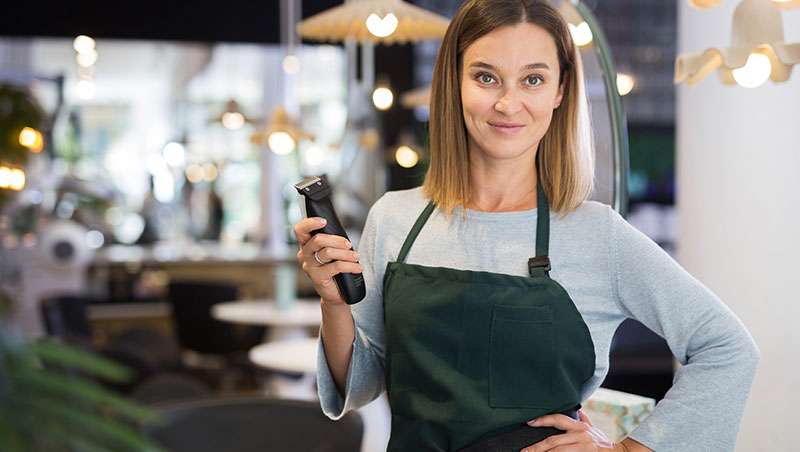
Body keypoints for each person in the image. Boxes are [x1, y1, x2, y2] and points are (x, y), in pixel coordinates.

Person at [294, 1, 759, 451]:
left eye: (532, 79)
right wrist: (335, 304)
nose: (507, 102)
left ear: (559, 91)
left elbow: (726, 348)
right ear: (454, 82)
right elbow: (361, 381)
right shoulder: (395, 218)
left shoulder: (598, 234)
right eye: (485, 77)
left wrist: (629, 450)